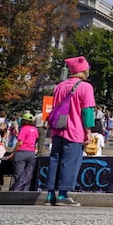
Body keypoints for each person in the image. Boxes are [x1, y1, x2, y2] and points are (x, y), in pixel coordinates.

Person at [45, 56, 96, 207]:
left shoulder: (59, 86)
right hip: (74, 130)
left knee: (55, 160)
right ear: (83, 70)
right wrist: (88, 131)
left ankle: (49, 194)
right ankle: (62, 195)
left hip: (58, 129)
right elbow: (87, 112)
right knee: (70, 162)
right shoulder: (86, 87)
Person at [9, 111, 37, 185]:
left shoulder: (24, 129)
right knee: (28, 174)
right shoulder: (35, 129)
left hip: (22, 152)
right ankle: (26, 190)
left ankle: (18, 191)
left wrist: (13, 153)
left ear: (23, 120)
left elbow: (20, 143)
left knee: (19, 174)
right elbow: (35, 140)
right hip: (31, 153)